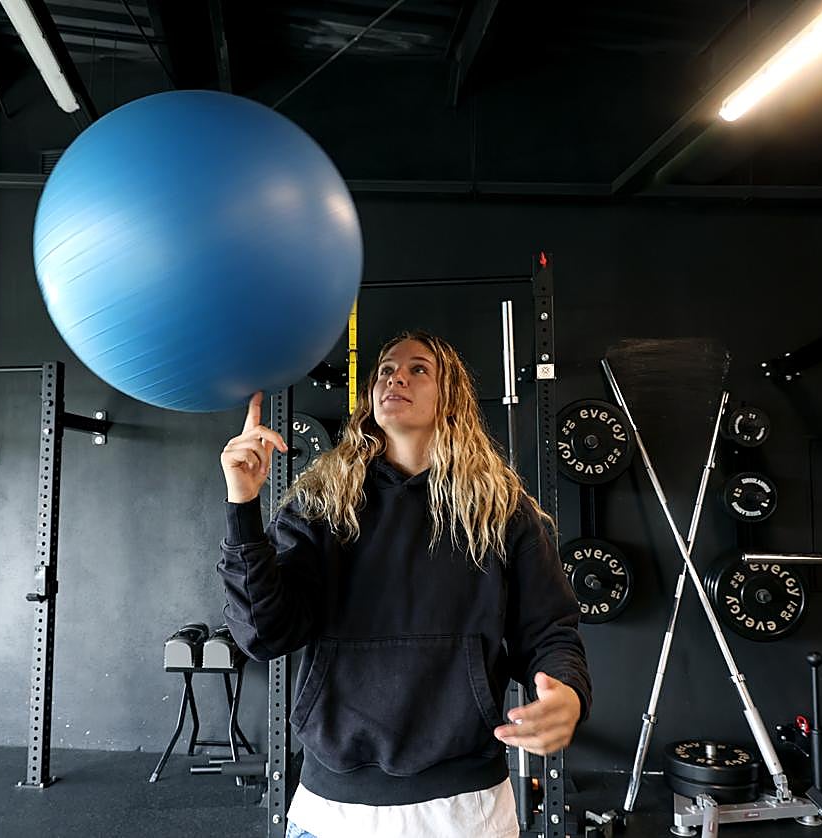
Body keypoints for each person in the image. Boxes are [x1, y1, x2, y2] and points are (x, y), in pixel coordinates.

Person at [217, 331, 591, 838]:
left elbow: (549, 631)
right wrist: (242, 507)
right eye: (386, 370)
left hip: (466, 808)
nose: (396, 377)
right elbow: (264, 632)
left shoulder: (500, 509)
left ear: (450, 397)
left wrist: (566, 693)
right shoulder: (321, 503)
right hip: (334, 810)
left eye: (419, 369)